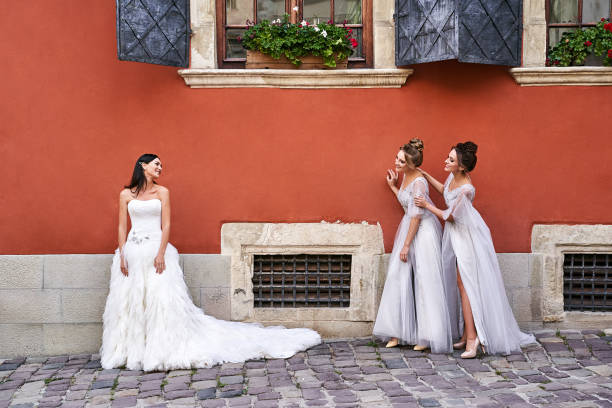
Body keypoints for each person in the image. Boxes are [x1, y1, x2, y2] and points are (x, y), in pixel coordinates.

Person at [100, 154, 321, 371]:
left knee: (162, 302)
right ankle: (133, 351)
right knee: (131, 303)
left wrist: (160, 253)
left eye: (161, 165)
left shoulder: (162, 192)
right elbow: (122, 226)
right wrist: (122, 254)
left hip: (156, 252)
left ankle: (160, 349)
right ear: (143, 165)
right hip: (132, 252)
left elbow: (166, 225)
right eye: (156, 164)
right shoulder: (126, 195)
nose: (160, 168)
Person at [415, 142, 535, 358]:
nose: (446, 161)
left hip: (467, 238)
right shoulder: (453, 178)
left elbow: (449, 216)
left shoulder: (467, 189)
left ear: (461, 167)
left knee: (466, 286)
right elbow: (444, 190)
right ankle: (465, 334)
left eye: (451, 160)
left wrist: (426, 205)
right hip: (455, 236)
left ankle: (473, 338)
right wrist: (425, 174)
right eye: (448, 157)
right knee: (461, 284)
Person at [373, 140, 452, 353]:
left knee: (426, 281)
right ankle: (396, 332)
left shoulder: (419, 183)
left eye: (400, 161)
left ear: (409, 164)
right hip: (409, 228)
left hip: (423, 232)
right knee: (397, 276)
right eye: (397, 158)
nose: (396, 162)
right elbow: (406, 203)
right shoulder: (407, 176)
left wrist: (406, 246)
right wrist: (393, 186)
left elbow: (416, 216)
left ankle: (428, 335)